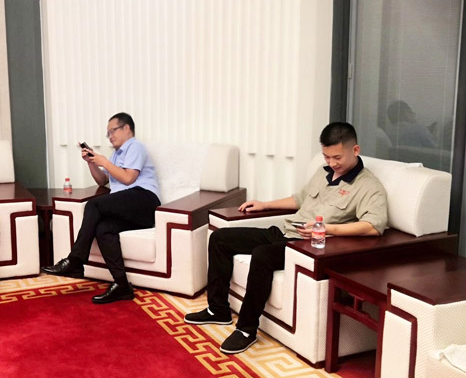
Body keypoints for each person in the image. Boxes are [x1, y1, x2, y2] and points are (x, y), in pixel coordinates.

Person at [184, 122, 388, 354]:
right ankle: (218, 310)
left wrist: (326, 229)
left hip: (308, 246)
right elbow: (299, 199)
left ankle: (246, 330)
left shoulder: (368, 186)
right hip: (285, 233)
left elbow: (373, 227)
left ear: (355, 150)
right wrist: (265, 205)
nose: (331, 163)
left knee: (262, 255)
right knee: (220, 238)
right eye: (326, 156)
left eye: (337, 157)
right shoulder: (323, 173)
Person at [42, 112, 161, 304]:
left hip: (144, 200)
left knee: (93, 204)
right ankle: (122, 285)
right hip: (128, 206)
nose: (110, 136)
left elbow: (128, 178)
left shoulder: (135, 146)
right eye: (108, 133)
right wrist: (92, 163)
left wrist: (104, 161)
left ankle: (76, 260)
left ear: (127, 129)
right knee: (103, 228)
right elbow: (103, 180)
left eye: (113, 131)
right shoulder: (116, 154)